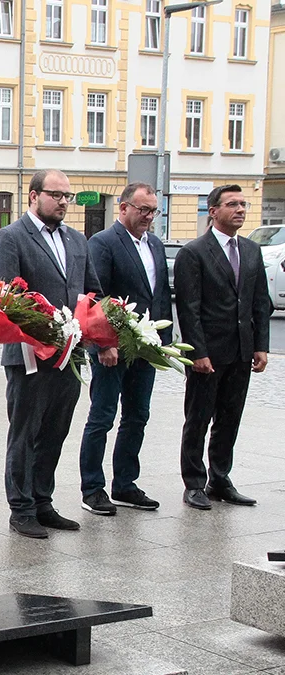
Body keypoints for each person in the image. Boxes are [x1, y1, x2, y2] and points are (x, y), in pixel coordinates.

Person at [0, 170, 101, 539]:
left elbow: (91, 293)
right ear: (34, 196)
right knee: (25, 432)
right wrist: (46, 331)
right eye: (56, 194)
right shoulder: (11, 237)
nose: (64, 201)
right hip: (29, 357)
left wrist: (94, 328)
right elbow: (3, 296)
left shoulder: (77, 240)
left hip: (71, 356)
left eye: (68, 195)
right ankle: (20, 508)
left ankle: (42, 501)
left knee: (55, 430)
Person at [174, 185, 271, 510]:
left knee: (230, 418)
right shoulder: (194, 253)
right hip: (208, 354)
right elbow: (189, 308)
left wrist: (260, 346)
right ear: (213, 211)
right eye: (232, 204)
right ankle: (194, 483)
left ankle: (220, 479)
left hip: (241, 352)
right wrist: (197, 352)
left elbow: (259, 303)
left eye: (243, 204)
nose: (240, 209)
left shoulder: (252, 251)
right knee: (198, 419)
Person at [78, 183, 172, 516]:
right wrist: (105, 343)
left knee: (137, 417)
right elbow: (96, 296)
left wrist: (165, 342)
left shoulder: (156, 245)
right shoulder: (103, 243)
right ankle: (92, 488)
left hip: (145, 346)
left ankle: (125, 485)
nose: (148, 217)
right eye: (143, 209)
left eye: (153, 211)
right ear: (123, 208)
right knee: (102, 416)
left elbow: (159, 295)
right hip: (112, 348)